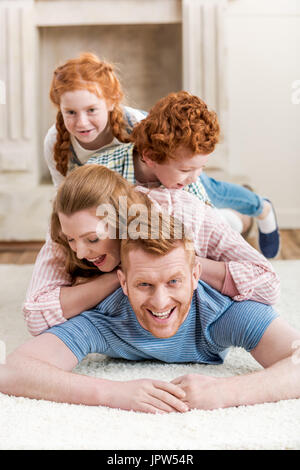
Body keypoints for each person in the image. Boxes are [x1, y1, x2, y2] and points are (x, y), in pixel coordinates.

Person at [2, 188, 298, 413]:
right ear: (122, 283)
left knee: (226, 218)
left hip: (189, 202)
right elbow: (14, 370)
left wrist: (224, 392)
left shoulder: (225, 311)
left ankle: (244, 210)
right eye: (144, 284)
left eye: (174, 281)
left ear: (196, 276)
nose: (160, 302)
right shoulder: (106, 317)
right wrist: (112, 394)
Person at [45, 52, 279, 256]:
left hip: (172, 165)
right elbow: (64, 196)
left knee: (210, 189)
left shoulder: (138, 123)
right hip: (134, 182)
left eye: (91, 110)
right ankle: (232, 221)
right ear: (60, 109)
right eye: (71, 112)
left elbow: (174, 148)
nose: (82, 121)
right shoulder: (56, 141)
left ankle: (260, 207)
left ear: (111, 102)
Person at [23, 165, 279, 336]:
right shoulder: (67, 226)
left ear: (122, 221)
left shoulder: (183, 213)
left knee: (230, 221)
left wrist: (185, 263)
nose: (79, 253)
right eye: (71, 241)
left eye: (92, 239)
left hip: (206, 217)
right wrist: (121, 275)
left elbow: (268, 284)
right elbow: (35, 316)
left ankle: (245, 212)